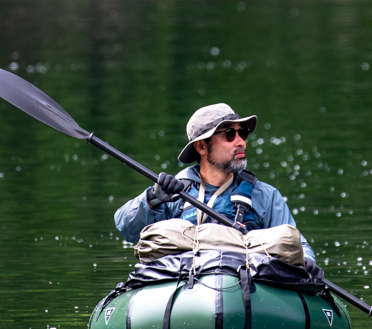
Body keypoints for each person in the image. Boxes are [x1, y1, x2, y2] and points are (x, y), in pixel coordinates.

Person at [114, 102, 317, 264]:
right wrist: (151, 199)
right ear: (202, 146)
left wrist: (308, 264)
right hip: (185, 290)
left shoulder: (265, 195)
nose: (241, 142)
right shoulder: (172, 192)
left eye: (242, 133)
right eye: (230, 134)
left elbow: (299, 246)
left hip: (247, 291)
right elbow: (127, 230)